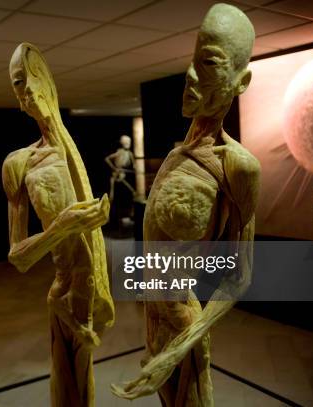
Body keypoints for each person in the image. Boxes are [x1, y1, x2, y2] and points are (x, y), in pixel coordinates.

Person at [111, 3, 260, 405]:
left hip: (183, 328)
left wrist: (180, 348)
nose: (192, 75)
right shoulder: (176, 157)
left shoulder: (238, 166)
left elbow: (238, 277)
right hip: (155, 326)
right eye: (193, 60)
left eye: (209, 63)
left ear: (240, 80)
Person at [3, 42, 114, 407]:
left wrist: (94, 221)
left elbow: (91, 237)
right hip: (65, 291)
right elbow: (18, 257)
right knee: (71, 392)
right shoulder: (19, 163)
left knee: (86, 387)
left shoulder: (73, 152)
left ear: (49, 84)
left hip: (89, 292)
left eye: (32, 79)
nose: (27, 92)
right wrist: (63, 226)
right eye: (18, 84)